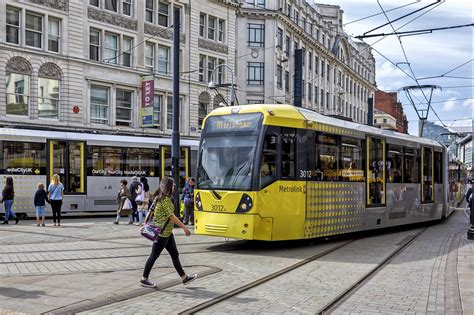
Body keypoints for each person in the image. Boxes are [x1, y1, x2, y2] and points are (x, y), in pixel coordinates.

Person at [140, 176, 197, 288]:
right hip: (162, 234)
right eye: (173, 184)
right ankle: (144, 279)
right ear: (168, 187)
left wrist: (145, 223)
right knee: (154, 255)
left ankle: (184, 277)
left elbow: (150, 211)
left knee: (175, 254)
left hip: (167, 232)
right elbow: (171, 217)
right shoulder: (165, 200)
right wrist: (184, 228)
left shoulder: (158, 197)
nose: (175, 186)